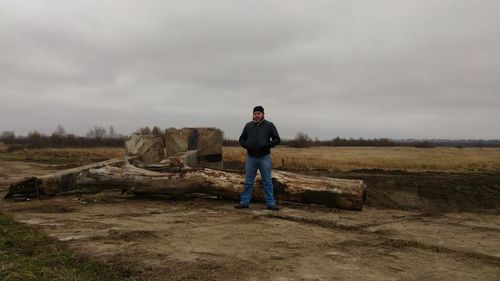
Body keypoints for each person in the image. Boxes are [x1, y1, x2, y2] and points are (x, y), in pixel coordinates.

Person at [235, 105, 281, 210]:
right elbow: (241, 139)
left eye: (258, 113)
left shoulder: (269, 125)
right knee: (248, 181)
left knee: (267, 181)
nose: (256, 115)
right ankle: (244, 202)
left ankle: (270, 203)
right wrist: (246, 145)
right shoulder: (248, 125)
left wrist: (266, 145)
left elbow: (277, 139)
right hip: (251, 157)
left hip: (264, 157)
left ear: (263, 114)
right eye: (255, 113)